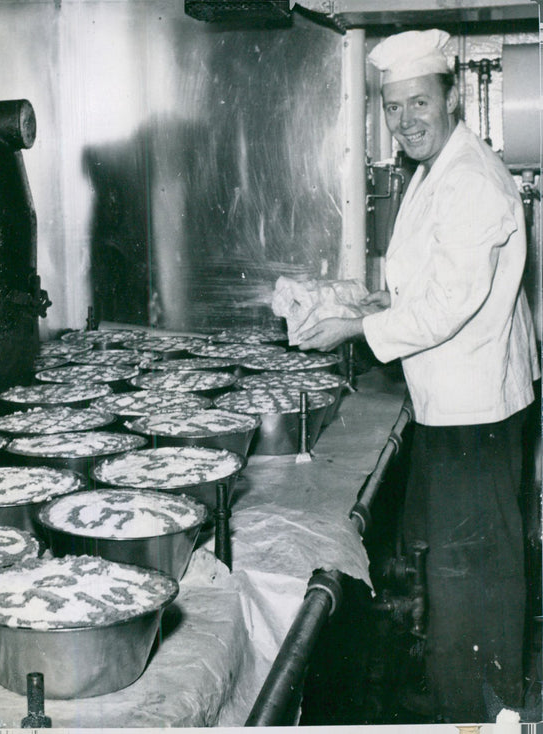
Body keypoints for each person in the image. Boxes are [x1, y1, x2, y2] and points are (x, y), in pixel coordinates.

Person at [297, 29, 540, 722]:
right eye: (393, 106)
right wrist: (374, 302)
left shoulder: (471, 179)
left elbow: (448, 306)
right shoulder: (433, 169)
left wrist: (354, 330)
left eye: (419, 102)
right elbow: (433, 283)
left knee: (474, 585)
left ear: (451, 97)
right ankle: (462, 703)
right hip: (453, 404)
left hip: (477, 415)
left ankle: (483, 717)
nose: (406, 120)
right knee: (458, 574)